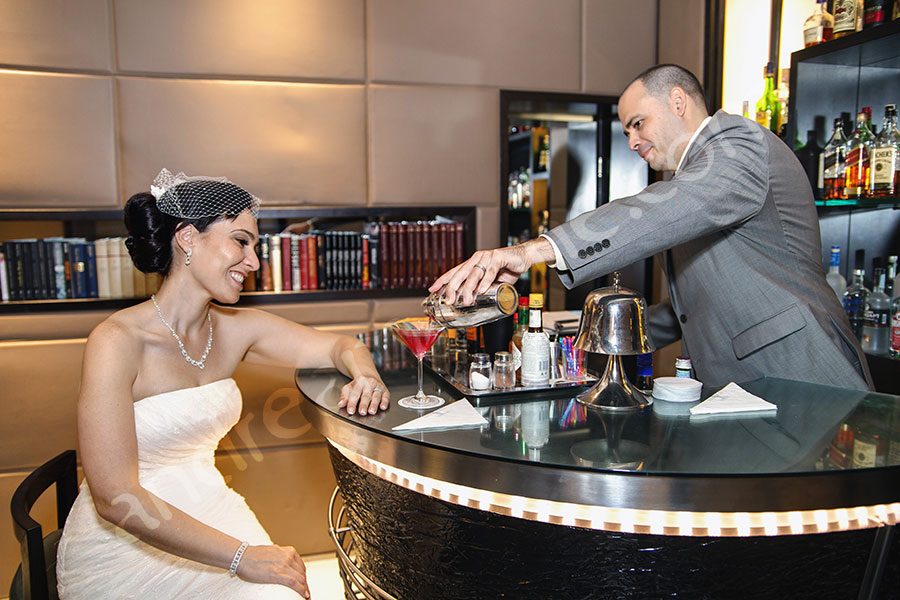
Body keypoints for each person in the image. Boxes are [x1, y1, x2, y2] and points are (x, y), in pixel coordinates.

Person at [431, 64, 872, 391]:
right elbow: (692, 308)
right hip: (745, 388)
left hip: (803, 372)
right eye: (625, 131)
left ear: (678, 101)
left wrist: (531, 252)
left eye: (637, 124)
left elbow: (663, 209)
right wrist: (573, 338)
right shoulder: (692, 181)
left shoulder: (740, 143)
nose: (632, 142)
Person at [56, 169, 390, 599]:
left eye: (255, 246)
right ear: (188, 238)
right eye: (240, 241)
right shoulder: (115, 341)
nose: (253, 262)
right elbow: (115, 497)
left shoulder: (234, 329)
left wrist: (366, 376)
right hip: (126, 541)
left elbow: (341, 346)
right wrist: (243, 556)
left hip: (209, 503)